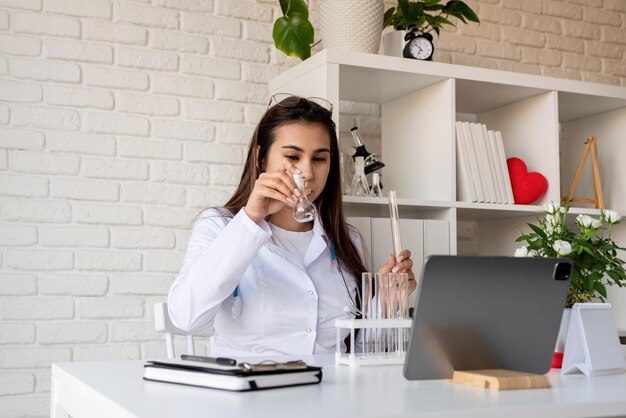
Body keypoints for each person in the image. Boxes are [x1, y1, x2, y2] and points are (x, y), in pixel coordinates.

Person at [167, 94, 416, 356]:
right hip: (253, 391)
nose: (307, 172)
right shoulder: (220, 226)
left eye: (319, 159)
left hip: (332, 393)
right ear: (260, 158)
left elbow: (358, 354)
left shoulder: (345, 238)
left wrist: (386, 304)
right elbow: (186, 318)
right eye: (293, 157)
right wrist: (251, 218)